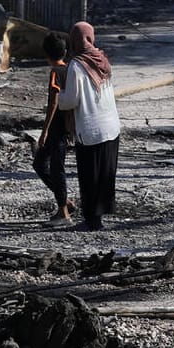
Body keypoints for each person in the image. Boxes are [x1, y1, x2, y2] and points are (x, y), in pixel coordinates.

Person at [56, 22, 120, 231]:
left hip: (91, 129)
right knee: (105, 173)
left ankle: (93, 220)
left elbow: (71, 101)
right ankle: (100, 215)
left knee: (90, 175)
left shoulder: (76, 65)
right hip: (111, 126)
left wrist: (58, 95)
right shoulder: (101, 58)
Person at [32, 32, 74, 222]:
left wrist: (45, 130)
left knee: (56, 167)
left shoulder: (56, 72)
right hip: (65, 125)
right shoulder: (69, 69)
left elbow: (54, 103)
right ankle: (65, 201)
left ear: (46, 55)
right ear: (64, 52)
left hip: (57, 127)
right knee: (42, 164)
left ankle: (63, 211)